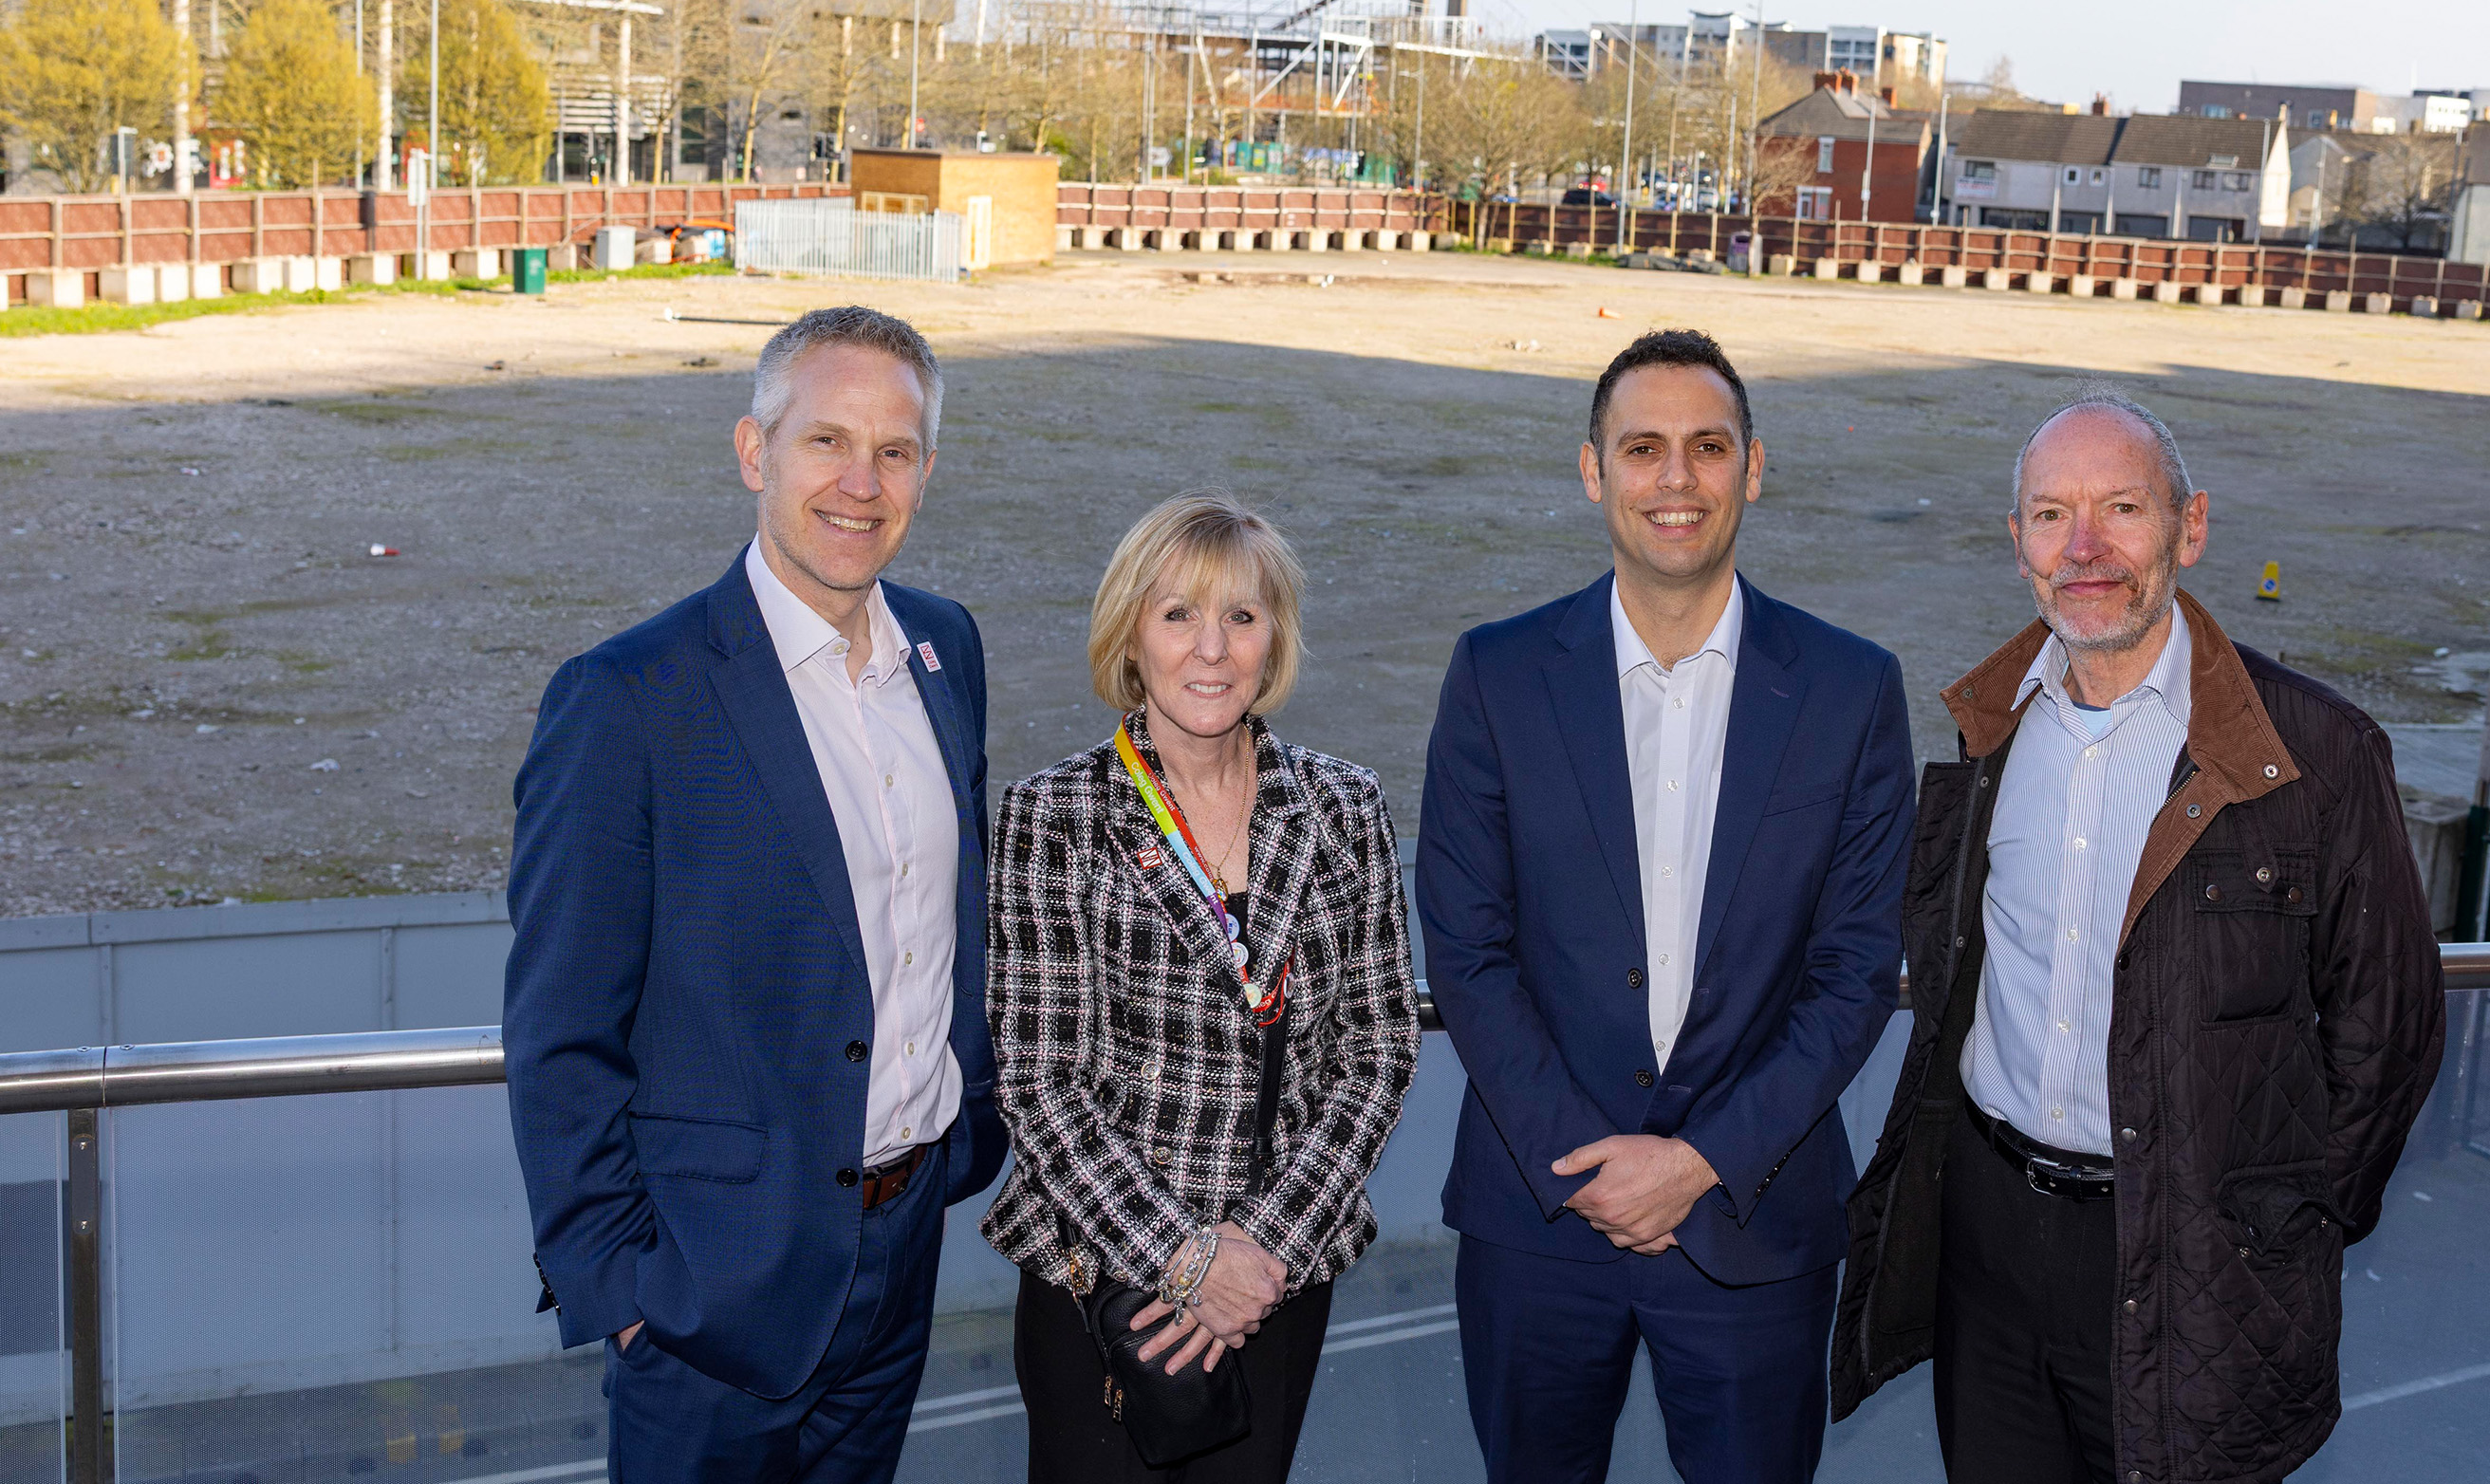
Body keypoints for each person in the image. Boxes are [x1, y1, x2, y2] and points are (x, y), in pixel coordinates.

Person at [1830, 391, 2447, 1483]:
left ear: (2188, 527)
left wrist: (2285, 1225)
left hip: (2191, 1259)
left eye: (2120, 507)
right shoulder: (1991, 731)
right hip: (1988, 1239)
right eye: (2051, 515)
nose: (2084, 549)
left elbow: (2389, 1030)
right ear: (2017, 541)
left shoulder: (2314, 753)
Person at [503, 306, 1008, 1481]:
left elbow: (946, 919)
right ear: (754, 451)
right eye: (826, 440)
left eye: (893, 451)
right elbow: (560, 1023)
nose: (860, 484)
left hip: (905, 1245)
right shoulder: (629, 696)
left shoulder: (946, 649)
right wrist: (621, 1288)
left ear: (927, 472)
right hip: (708, 1296)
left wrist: (964, 1127)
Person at [1417, 329, 1917, 1483]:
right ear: (1593, 470)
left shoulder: (1850, 688)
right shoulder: (1496, 674)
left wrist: (1697, 1161)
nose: (1676, 478)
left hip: (1753, 1221)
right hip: (1539, 1223)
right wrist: (1593, 1168)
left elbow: (1853, 972)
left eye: (1709, 446)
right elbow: (1468, 950)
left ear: (1755, 467)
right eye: (1643, 448)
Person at [983, 492, 1421, 1483]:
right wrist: (1185, 1260)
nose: (1212, 648)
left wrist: (1259, 1251)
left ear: (1275, 637)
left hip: (1275, 1283)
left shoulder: (1345, 807)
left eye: (1241, 615)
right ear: (1131, 635)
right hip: (1104, 1283)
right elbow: (1043, 1085)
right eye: (1178, 613)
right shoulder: (1052, 816)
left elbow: (1381, 1048)